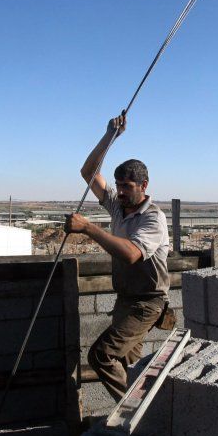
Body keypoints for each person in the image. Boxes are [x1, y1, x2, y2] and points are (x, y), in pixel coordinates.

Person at [64, 111, 171, 401]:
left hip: (147, 303)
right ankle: (140, 415)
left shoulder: (153, 219)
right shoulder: (119, 207)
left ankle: (135, 413)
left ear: (144, 186)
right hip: (126, 299)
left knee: (101, 355)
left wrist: (88, 228)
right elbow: (88, 173)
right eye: (119, 185)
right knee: (129, 365)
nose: (120, 192)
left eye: (127, 187)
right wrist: (109, 136)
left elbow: (132, 254)